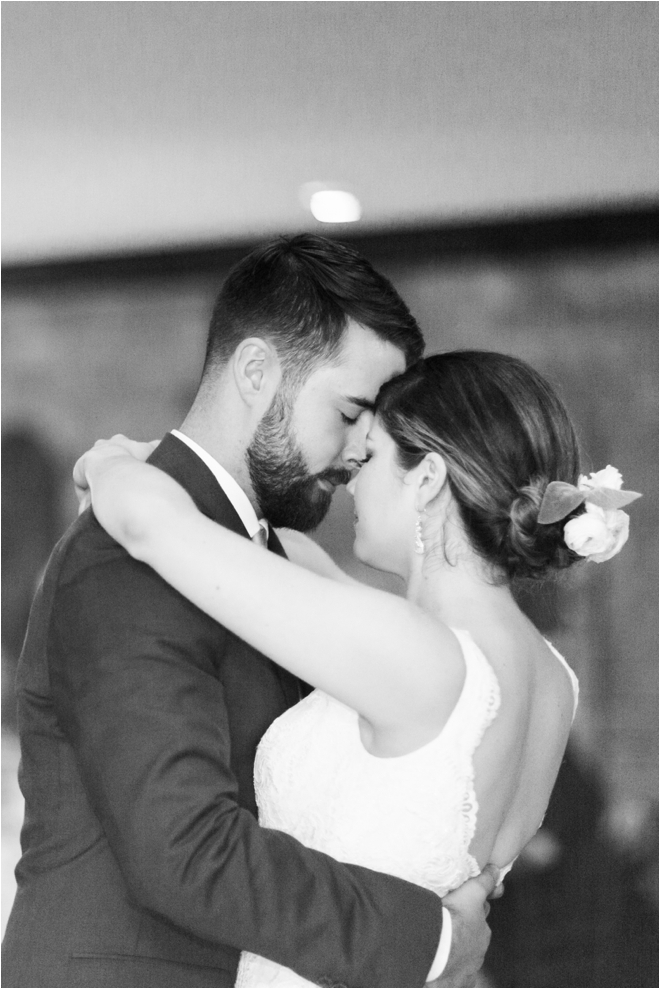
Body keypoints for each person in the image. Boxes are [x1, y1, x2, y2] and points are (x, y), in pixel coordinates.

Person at [2, 236, 496, 989]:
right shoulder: (123, 558)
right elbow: (186, 848)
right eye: (352, 410)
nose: (364, 448)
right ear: (259, 372)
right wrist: (425, 939)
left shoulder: (259, 554)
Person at [73, 351, 640, 988]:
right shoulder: (553, 676)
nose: (349, 477)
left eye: (368, 458)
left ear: (427, 477)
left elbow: (149, 526)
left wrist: (108, 463)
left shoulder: (413, 652)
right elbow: (286, 557)